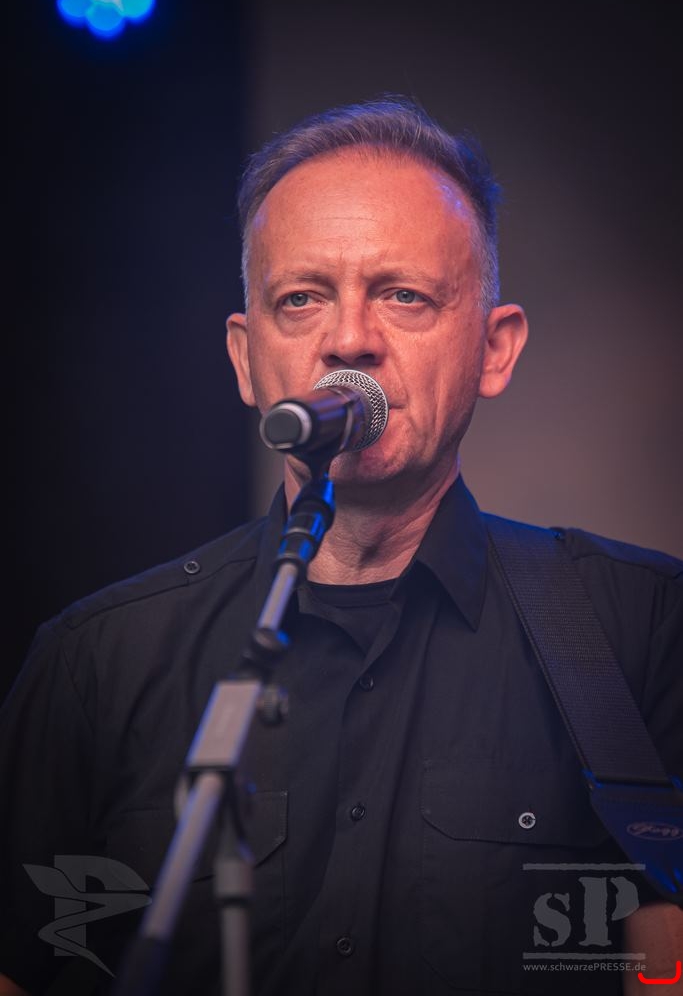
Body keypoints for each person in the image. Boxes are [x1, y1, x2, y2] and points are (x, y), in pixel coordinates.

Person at [1, 97, 681, 996]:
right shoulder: (98, 661)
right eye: (301, 299)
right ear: (246, 359)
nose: (349, 340)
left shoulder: (640, 630)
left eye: (403, 296)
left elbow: (663, 962)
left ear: (493, 349)